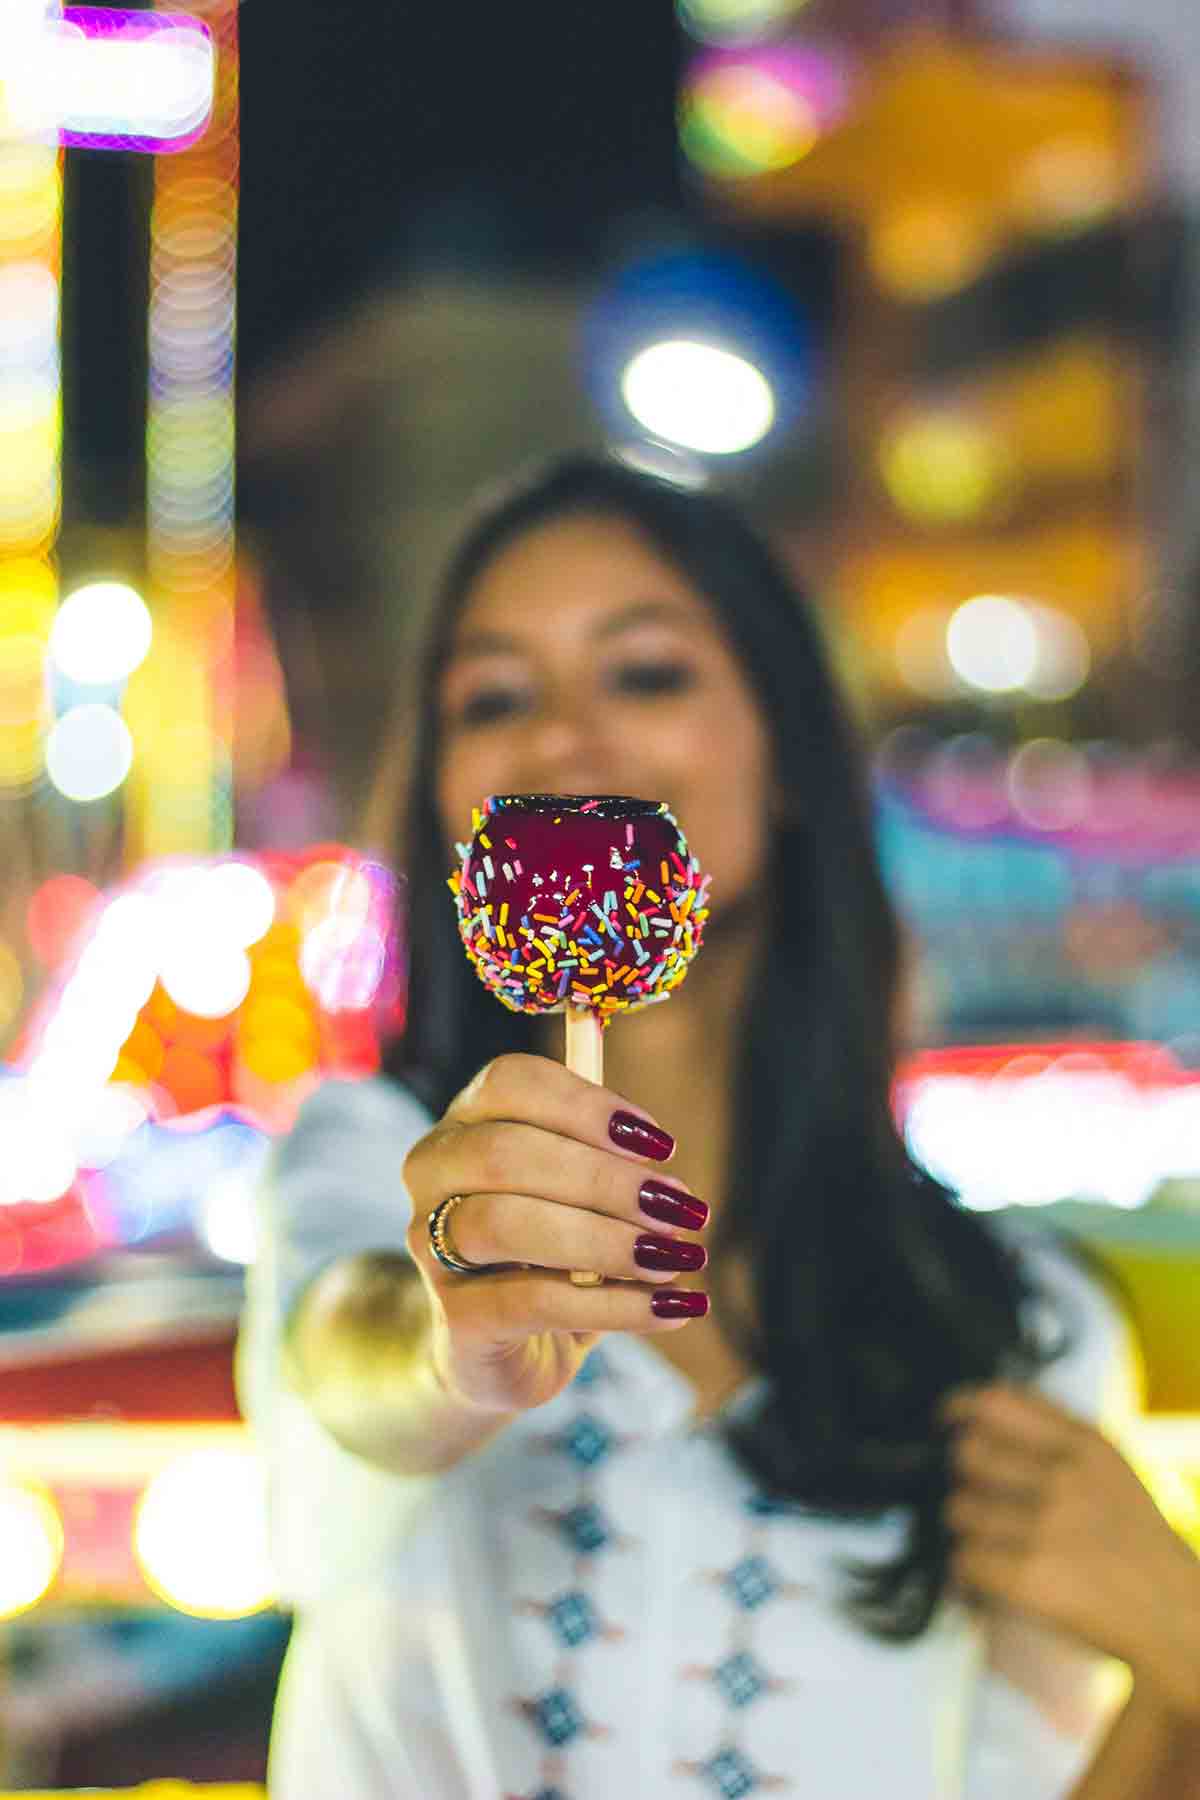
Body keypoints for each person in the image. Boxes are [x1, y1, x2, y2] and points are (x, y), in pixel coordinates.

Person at [238, 454, 1200, 1798]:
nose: (567, 739)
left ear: (788, 757)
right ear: (449, 803)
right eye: (495, 695)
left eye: (646, 674)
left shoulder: (1017, 1327)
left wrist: (1187, 1655)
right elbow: (343, 1368)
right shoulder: (366, 1158)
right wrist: (462, 1340)